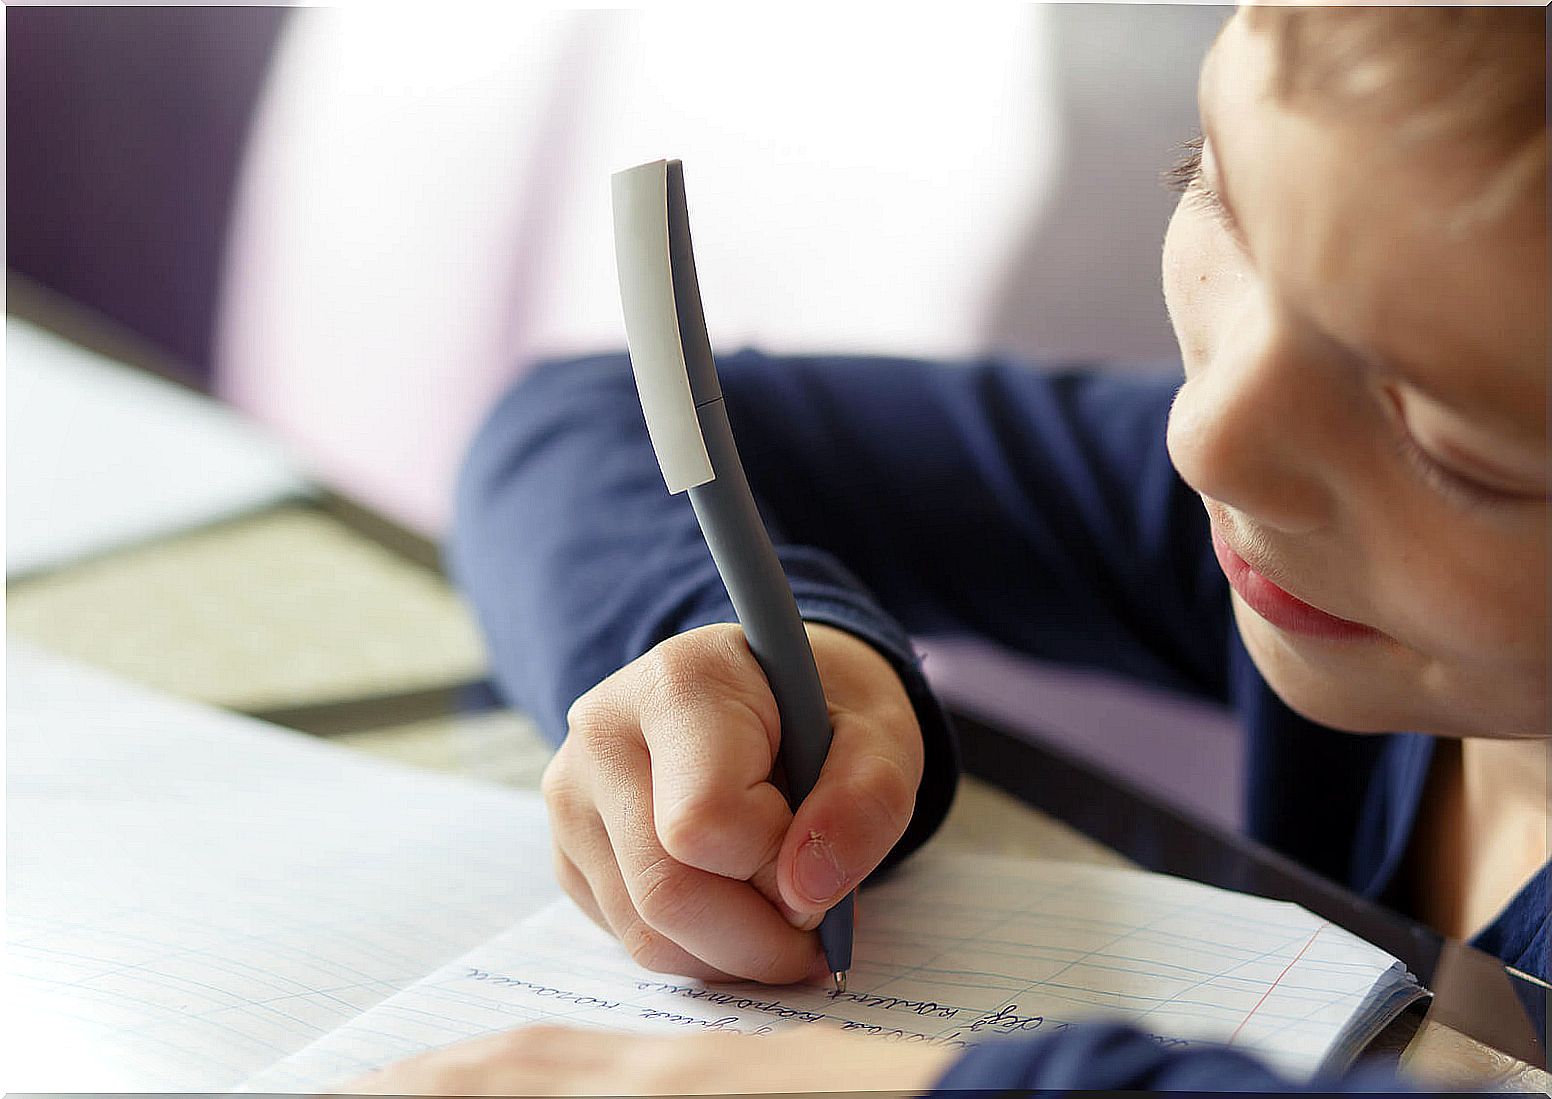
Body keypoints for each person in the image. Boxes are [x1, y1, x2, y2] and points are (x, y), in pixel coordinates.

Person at [356, 7, 1547, 1093]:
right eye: (1218, 194)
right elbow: (579, 425)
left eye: (1456, 442)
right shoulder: (1329, 518)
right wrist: (761, 646)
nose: (1202, 441)